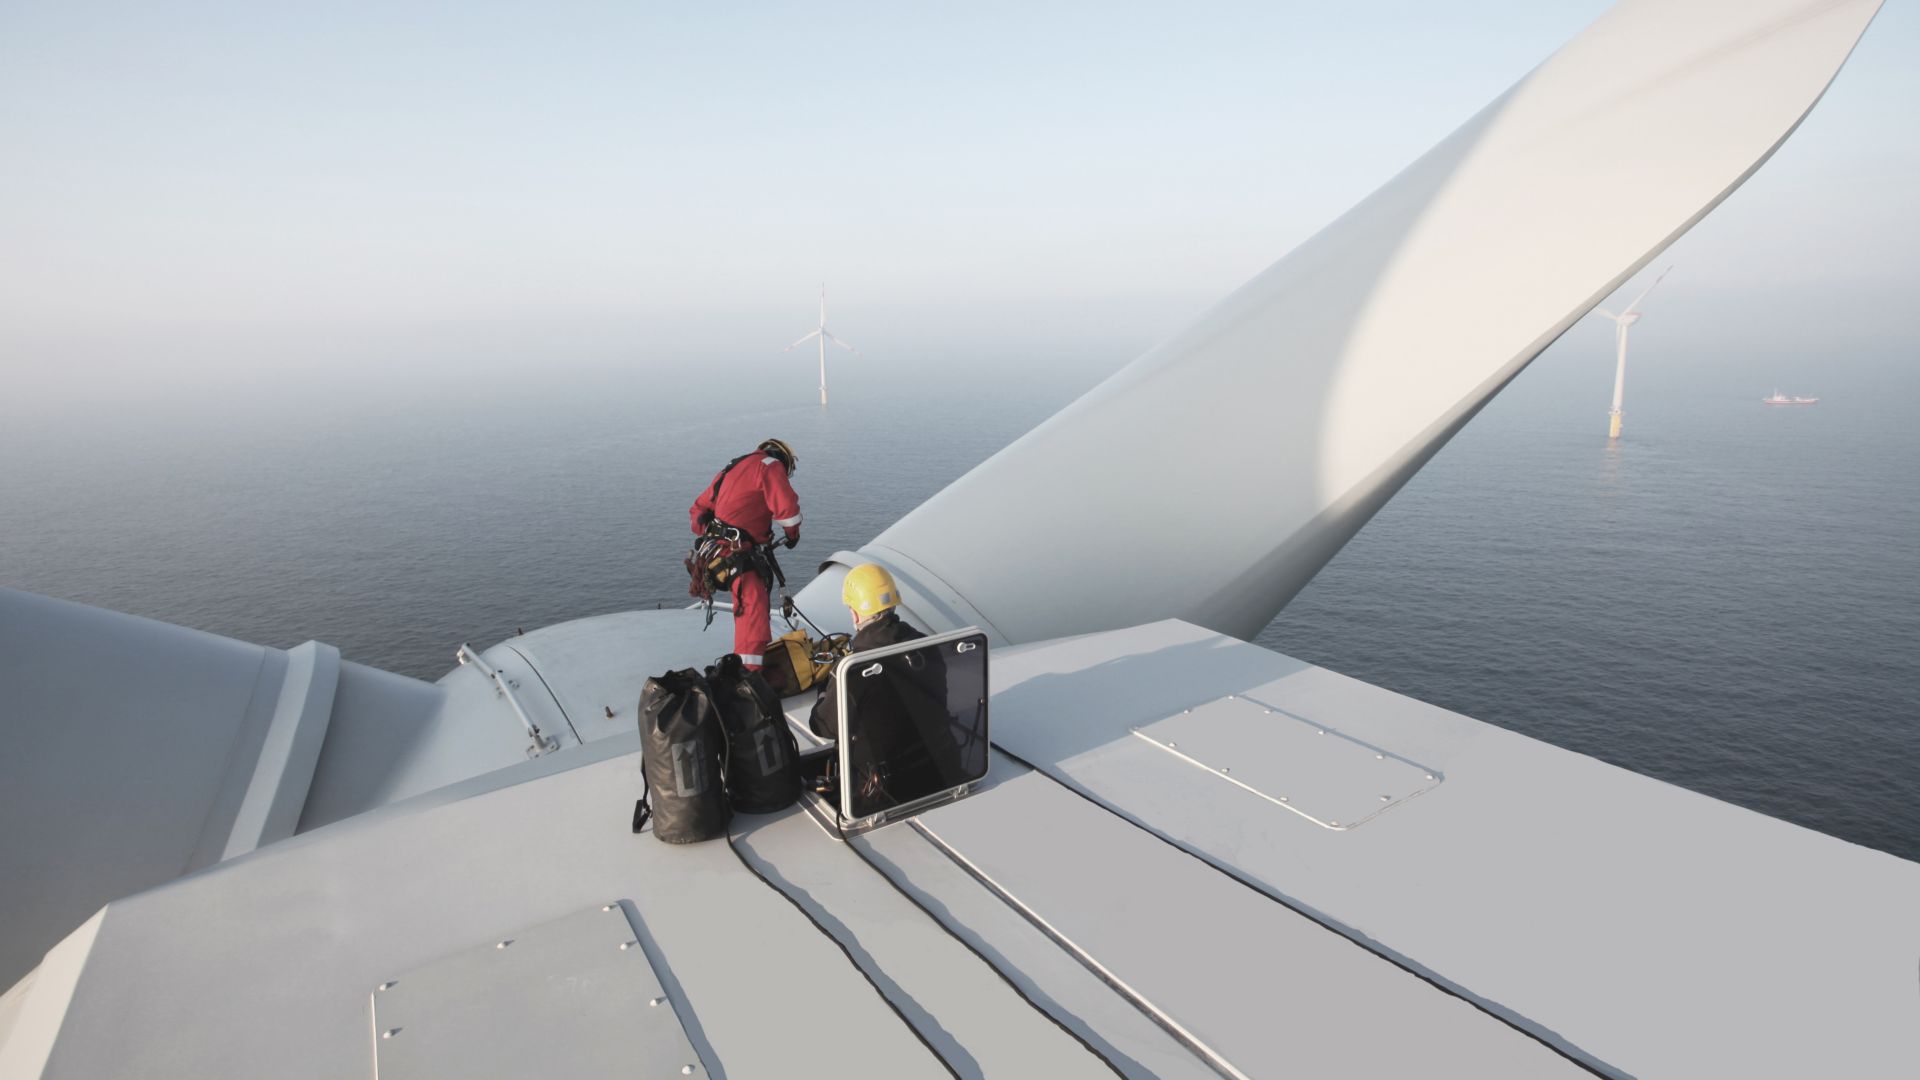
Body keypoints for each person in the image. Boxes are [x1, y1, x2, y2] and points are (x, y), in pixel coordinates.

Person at [810, 564, 960, 816]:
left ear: (855, 615)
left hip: (883, 794)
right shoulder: (927, 645)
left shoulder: (852, 670)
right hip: (939, 773)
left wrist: (823, 695)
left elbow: (824, 727)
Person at [689, 438, 802, 671]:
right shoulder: (771, 466)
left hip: (716, 554)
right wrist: (792, 535)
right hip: (739, 557)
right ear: (784, 460)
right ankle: (748, 678)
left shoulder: (733, 467)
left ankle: (748, 669)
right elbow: (787, 511)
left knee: (750, 613)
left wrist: (716, 531)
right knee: (753, 618)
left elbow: (698, 511)